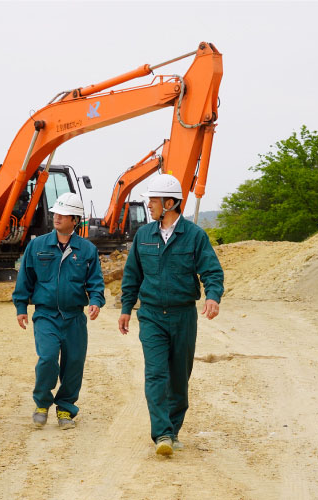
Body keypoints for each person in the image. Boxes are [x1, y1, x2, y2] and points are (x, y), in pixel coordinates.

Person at [117, 174, 224, 456]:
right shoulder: (143, 235)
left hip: (183, 315)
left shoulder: (195, 236)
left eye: (153, 200)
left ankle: (173, 430)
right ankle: (162, 433)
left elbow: (211, 271)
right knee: (155, 374)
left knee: (179, 377)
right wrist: (127, 308)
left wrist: (213, 296)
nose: (149, 205)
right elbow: (132, 275)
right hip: (151, 315)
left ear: (170, 203)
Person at [12, 192, 105, 430]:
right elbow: (25, 279)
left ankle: (65, 409)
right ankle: (42, 403)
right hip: (46, 315)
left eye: (63, 214)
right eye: (56, 213)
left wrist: (96, 300)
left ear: (75, 220)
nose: (57, 217)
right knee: (48, 358)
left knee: (74, 363)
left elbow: (95, 282)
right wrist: (21, 307)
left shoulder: (87, 250)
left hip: (74, 317)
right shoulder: (37, 245)